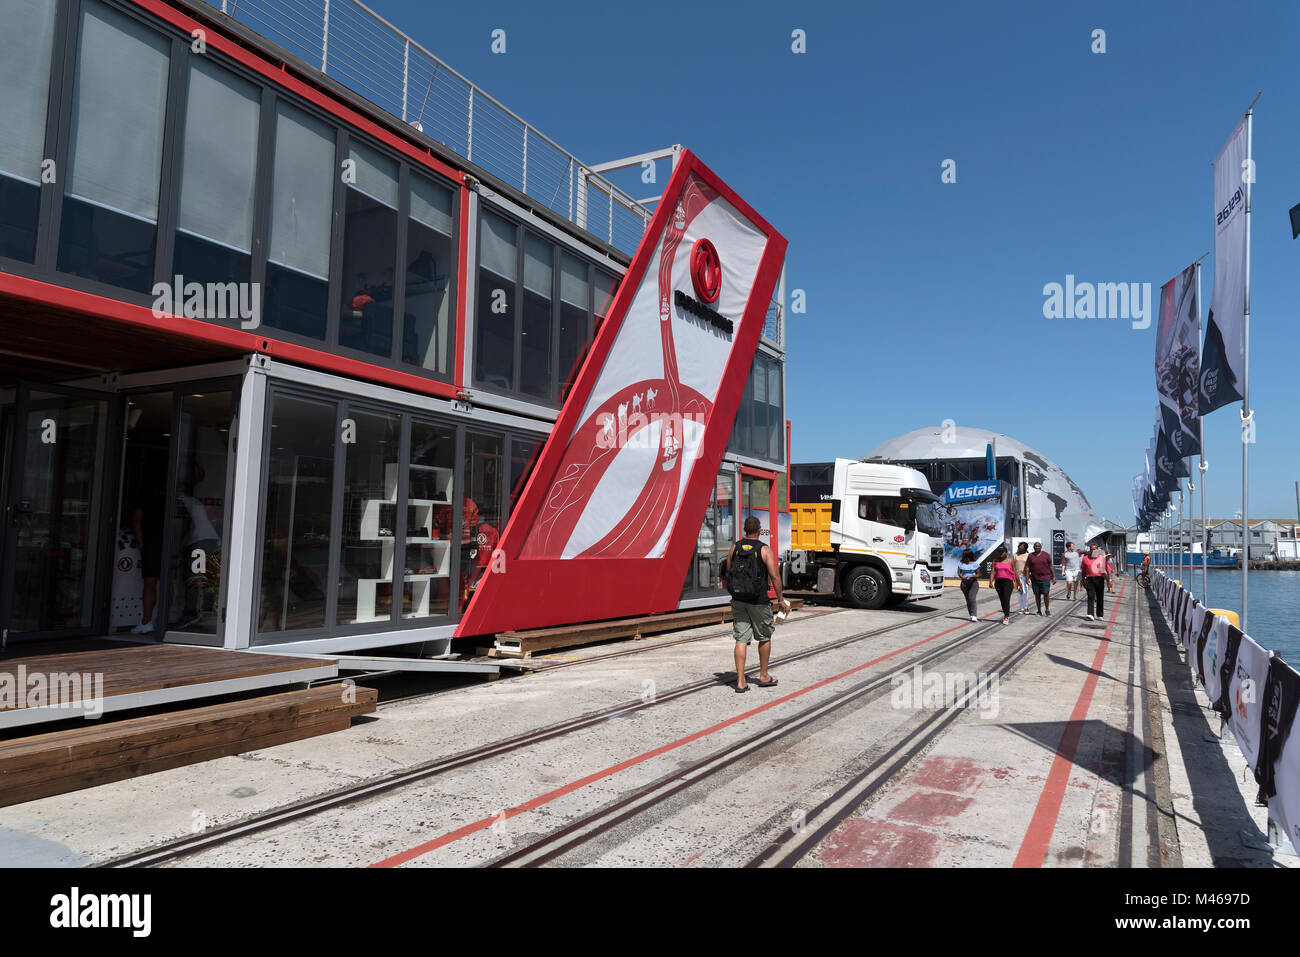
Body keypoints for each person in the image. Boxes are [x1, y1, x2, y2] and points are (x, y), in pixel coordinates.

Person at [722, 516, 790, 693]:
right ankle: (763, 675)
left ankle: (740, 681)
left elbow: (727, 571)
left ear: (745, 530)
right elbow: (775, 576)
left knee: (741, 639)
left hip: (738, 600)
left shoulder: (734, 547)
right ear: (759, 530)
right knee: (764, 637)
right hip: (759, 601)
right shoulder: (764, 549)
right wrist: (780, 600)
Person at [1082, 542, 1110, 621]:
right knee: (1090, 597)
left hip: (1100, 579)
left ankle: (1100, 614)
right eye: (1091, 549)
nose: (1092, 551)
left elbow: (1107, 570)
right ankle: (1090, 614)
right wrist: (1083, 580)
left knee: (1100, 597)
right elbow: (1083, 570)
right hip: (1089, 579)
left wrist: (1109, 580)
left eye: (1094, 549)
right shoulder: (1085, 558)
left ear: (1097, 550)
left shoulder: (1101, 558)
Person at [1026, 540, 1055, 616]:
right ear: (1033, 547)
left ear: (1041, 547)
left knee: (1046, 593)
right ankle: (1039, 611)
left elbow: (1051, 566)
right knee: (1037, 595)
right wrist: (1027, 578)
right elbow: (1027, 567)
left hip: (1045, 577)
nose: (1037, 547)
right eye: (1036, 546)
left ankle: (1047, 610)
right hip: (1034, 578)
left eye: (1038, 546)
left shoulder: (1046, 555)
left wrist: (1054, 577)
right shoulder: (1030, 556)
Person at [989, 546, 1016, 624]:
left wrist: (1018, 584)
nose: (1000, 553)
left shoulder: (1010, 561)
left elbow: (1015, 572)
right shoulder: (995, 561)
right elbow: (993, 572)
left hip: (1008, 582)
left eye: (1002, 552)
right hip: (998, 582)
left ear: (1006, 552)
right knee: (1002, 599)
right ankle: (1005, 613)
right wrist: (991, 582)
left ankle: (1006, 616)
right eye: (999, 552)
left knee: (1006, 598)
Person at [957, 548, 981, 621]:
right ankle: (971, 614)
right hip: (964, 583)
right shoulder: (960, 563)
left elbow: (978, 574)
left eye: (964, 555)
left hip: (973, 583)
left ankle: (974, 615)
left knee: (972, 598)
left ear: (969, 555)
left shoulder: (975, 564)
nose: (963, 556)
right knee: (968, 600)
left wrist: (973, 577)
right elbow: (959, 573)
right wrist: (962, 577)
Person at [1012, 541, 1031, 616]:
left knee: (1025, 592)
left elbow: (1029, 567)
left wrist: (1028, 577)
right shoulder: (1015, 555)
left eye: (1022, 546)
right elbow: (1013, 566)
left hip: (1025, 576)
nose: (1020, 547)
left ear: (1025, 548)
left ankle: (1026, 607)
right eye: (1019, 546)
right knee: (1019, 593)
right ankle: (1022, 609)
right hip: (1017, 576)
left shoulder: (1028, 555)